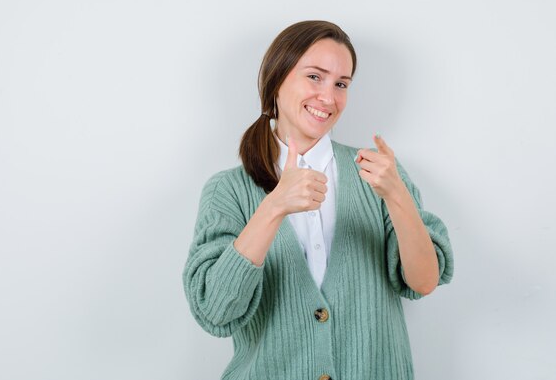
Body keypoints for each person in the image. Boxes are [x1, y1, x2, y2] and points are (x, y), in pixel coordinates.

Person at [182, 20, 454, 380]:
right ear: (277, 79)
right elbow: (215, 312)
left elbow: (423, 281)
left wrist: (397, 195)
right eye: (314, 77)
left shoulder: (380, 173)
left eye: (341, 84)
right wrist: (274, 206)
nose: (329, 97)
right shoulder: (227, 190)